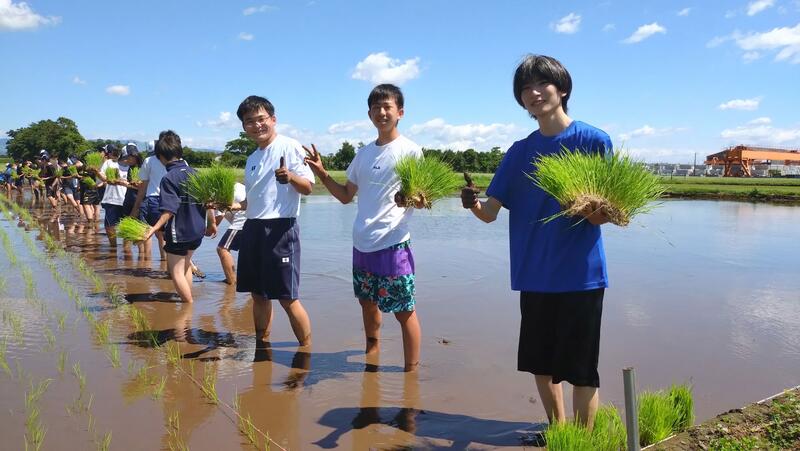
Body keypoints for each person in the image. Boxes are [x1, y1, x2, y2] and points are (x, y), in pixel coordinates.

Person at [461, 54, 613, 429]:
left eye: (540, 84)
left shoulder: (593, 141)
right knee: (541, 366)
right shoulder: (518, 153)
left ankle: (583, 441)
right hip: (533, 275)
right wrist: (471, 203)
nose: (533, 93)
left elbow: (605, 216)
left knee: (581, 369)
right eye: (524, 88)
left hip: (581, 276)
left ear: (561, 88)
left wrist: (582, 207)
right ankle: (557, 431)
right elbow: (490, 212)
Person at [304, 83, 423, 372]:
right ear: (369, 113)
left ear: (400, 112)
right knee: (367, 303)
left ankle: (411, 372)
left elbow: (421, 199)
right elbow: (346, 196)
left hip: (393, 243)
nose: (382, 112)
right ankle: (372, 351)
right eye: (376, 107)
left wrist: (412, 198)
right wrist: (322, 175)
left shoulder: (411, 151)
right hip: (362, 242)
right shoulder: (364, 154)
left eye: (387, 107)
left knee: (404, 311)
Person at [229, 95, 314, 347]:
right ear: (244, 127)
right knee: (257, 295)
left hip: (280, 227)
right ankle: (262, 345)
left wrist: (290, 177)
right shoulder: (252, 158)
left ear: (273, 119)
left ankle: (306, 350)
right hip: (252, 227)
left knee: (287, 297)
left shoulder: (289, 146)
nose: (257, 125)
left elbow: (308, 187)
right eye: (249, 121)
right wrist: (228, 205)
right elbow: (251, 201)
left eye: (261, 119)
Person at [142, 130, 210, 303]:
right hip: (197, 230)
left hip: (179, 232)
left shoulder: (169, 178)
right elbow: (209, 203)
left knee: (176, 271)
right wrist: (213, 224)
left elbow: (169, 210)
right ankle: (188, 300)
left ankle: (188, 307)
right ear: (180, 152)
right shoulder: (196, 174)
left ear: (160, 157)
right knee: (186, 264)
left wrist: (153, 228)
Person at [131, 140, 168, 260]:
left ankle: (146, 261)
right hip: (170, 201)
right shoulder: (177, 161)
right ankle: (165, 261)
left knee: (149, 231)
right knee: (165, 235)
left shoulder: (149, 161)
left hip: (153, 200)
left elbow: (143, 187)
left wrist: (136, 207)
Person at [212, 182, 246, 285]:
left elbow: (216, 223)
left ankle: (232, 281)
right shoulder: (239, 185)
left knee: (222, 248)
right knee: (248, 252)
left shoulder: (220, 193)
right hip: (254, 220)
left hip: (241, 222)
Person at [97, 144, 127, 244]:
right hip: (112, 199)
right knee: (111, 225)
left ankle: (120, 248)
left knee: (123, 226)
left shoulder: (132, 166)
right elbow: (103, 178)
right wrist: (95, 171)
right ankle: (115, 248)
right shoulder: (109, 163)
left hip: (124, 199)